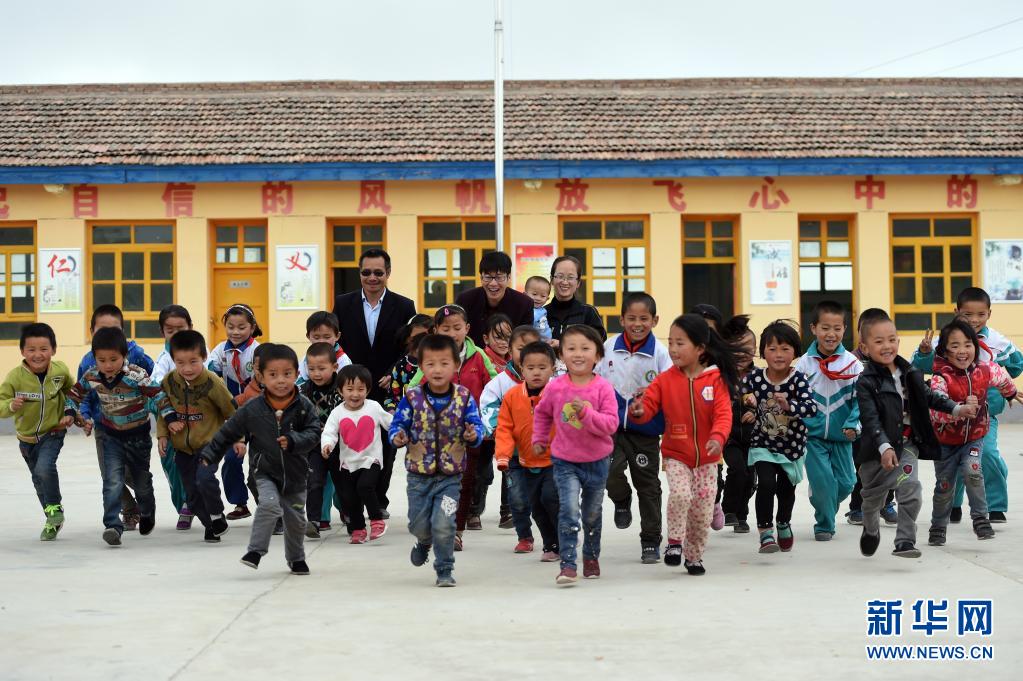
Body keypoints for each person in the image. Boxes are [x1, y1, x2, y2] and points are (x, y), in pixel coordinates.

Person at [629, 314, 737, 575]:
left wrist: (718, 437)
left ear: (700, 348)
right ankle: (674, 543)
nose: (673, 349)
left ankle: (694, 557)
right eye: (671, 342)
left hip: (708, 460)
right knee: (680, 494)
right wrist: (639, 411)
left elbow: (724, 414)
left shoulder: (715, 379)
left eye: (680, 343)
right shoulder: (665, 379)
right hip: (676, 453)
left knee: (701, 513)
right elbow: (649, 404)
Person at [856, 316, 971, 559]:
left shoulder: (910, 372)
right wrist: (884, 446)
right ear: (865, 347)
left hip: (907, 444)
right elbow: (870, 419)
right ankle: (870, 527)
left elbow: (930, 396)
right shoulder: (865, 382)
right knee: (872, 498)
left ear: (898, 341)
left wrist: (957, 409)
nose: (887, 346)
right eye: (879, 341)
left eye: (891, 340)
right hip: (876, 450)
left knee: (910, 489)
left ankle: (905, 541)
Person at [201, 344, 321, 575]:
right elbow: (229, 431)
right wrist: (210, 454)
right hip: (265, 471)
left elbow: (315, 432)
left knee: (296, 520)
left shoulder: (304, 406)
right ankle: (255, 551)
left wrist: (294, 440)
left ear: (297, 374)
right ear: (261, 376)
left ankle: (296, 559)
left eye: (287, 374)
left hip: (296, 475)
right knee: (268, 505)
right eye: (273, 375)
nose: (281, 380)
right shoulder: (253, 408)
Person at [912, 286, 1023, 523]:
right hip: (951, 416)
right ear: (957, 312)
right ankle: (953, 505)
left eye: (981, 314)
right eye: (968, 314)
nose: (974, 320)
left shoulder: (996, 341)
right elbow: (922, 367)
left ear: (989, 314)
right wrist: (924, 353)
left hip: (983, 416)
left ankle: (995, 506)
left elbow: (1015, 366)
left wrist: (1005, 391)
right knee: (955, 461)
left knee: (987, 455)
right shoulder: (944, 339)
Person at [67, 326, 179, 546]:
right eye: (102, 360)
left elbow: (159, 396)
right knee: (112, 481)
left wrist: (171, 418)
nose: (108, 365)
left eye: (113, 359)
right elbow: (73, 395)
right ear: (95, 358)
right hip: (111, 437)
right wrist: (70, 412)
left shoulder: (136, 376)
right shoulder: (92, 376)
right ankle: (112, 525)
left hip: (138, 438)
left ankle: (147, 511)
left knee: (141, 483)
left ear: (124, 356)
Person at [389, 334, 485, 587]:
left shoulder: (464, 397)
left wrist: (473, 435)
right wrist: (397, 436)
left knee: (445, 524)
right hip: (418, 478)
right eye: (430, 364)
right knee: (418, 524)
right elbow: (398, 424)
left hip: (451, 478)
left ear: (456, 365)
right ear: (422, 367)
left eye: (444, 363)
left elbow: (477, 426)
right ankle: (423, 541)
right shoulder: (412, 398)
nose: (438, 369)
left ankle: (444, 569)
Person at [532, 324, 619, 585]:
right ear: (561, 355)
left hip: (597, 461)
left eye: (585, 348)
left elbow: (610, 425)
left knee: (591, 513)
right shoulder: (556, 387)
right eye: (571, 348)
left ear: (598, 355)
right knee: (568, 510)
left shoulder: (603, 388)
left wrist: (586, 414)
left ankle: (591, 556)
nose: (578, 354)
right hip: (565, 461)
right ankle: (568, 565)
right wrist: (539, 439)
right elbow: (542, 414)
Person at [332, 249, 417, 517]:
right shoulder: (343, 304)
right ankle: (350, 505)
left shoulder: (404, 306)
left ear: (388, 273)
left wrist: (394, 372)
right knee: (349, 447)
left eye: (378, 272)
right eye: (366, 272)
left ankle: (379, 501)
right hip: (351, 388)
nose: (372, 278)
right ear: (359, 273)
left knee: (385, 448)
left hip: (386, 387)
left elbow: (410, 346)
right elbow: (336, 343)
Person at [408, 305, 497, 549]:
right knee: (437, 482)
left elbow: (493, 386)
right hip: (436, 437)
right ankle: (436, 522)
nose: (452, 333)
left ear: (467, 328)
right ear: (436, 330)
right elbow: (413, 388)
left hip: (468, 433)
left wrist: (486, 419)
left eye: (457, 328)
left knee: (464, 483)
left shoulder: (478, 355)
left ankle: (455, 530)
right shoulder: (431, 355)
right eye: (445, 328)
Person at [927, 319, 1021, 546]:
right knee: (944, 486)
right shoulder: (940, 379)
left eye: (968, 344)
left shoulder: (984, 370)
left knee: (973, 471)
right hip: (946, 443)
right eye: (955, 345)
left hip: (974, 438)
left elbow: (1001, 377)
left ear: (976, 348)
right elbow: (935, 412)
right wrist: (958, 411)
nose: (963, 350)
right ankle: (938, 526)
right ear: (944, 352)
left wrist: (1010, 393)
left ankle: (980, 519)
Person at [596, 292, 672, 564]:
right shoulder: (608, 347)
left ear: (655, 320)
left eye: (644, 319)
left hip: (646, 431)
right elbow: (595, 379)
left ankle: (650, 540)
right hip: (611, 427)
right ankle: (621, 499)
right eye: (631, 318)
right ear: (621, 320)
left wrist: (653, 393)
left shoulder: (660, 353)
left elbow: (670, 387)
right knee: (608, 473)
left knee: (648, 486)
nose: (637, 324)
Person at [78, 304, 155, 532]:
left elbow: (155, 380)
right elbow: (83, 394)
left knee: (136, 476)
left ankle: (145, 502)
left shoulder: (137, 356)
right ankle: (127, 512)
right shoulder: (88, 362)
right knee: (110, 475)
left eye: (115, 329)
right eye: (102, 330)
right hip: (105, 426)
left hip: (135, 428)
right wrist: (84, 416)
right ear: (92, 332)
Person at [156, 330, 238, 543]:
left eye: (193, 362)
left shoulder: (213, 382)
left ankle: (217, 514)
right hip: (182, 449)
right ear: (173, 361)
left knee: (204, 478)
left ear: (204, 357)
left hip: (209, 444)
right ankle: (211, 526)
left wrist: (238, 439)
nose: (187, 369)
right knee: (191, 496)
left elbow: (232, 412)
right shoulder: (169, 381)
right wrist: (162, 435)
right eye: (180, 363)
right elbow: (163, 408)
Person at [744, 320, 817, 554]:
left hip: (791, 447)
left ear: (795, 352)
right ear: (763, 351)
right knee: (766, 484)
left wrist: (790, 406)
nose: (778, 354)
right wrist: (747, 403)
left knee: (786, 489)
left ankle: (783, 522)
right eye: (772, 348)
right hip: (763, 443)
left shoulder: (798, 380)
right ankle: (765, 532)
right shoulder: (755, 378)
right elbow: (739, 396)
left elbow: (811, 408)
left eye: (785, 349)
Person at [794, 300, 862, 541]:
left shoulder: (853, 365)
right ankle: (824, 524)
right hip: (812, 437)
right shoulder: (803, 364)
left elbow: (861, 401)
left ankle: (824, 501)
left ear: (845, 329)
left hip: (842, 436)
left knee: (847, 483)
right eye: (825, 328)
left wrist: (853, 425)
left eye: (837, 328)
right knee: (823, 482)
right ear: (813, 328)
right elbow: (796, 397)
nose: (831, 334)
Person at [0, 323, 75, 541]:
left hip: (53, 431)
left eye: (43, 349)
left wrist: (71, 412)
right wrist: (10, 406)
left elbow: (72, 392)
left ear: (54, 349)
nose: (37, 354)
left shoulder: (60, 371)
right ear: (22, 351)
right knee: (38, 480)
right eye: (31, 349)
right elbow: (1, 403)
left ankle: (55, 508)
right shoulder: (15, 377)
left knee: (44, 468)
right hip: (26, 439)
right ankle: (52, 519)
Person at [495, 341, 560, 561]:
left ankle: (563, 536)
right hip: (526, 461)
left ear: (553, 368)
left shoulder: (559, 393)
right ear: (522, 369)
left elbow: (570, 423)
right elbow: (504, 427)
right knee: (536, 506)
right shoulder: (512, 396)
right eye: (531, 368)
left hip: (555, 460)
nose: (536, 372)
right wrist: (503, 455)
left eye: (542, 367)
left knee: (550, 498)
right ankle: (550, 544)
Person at [481, 325, 543, 546]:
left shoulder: (551, 382)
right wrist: (500, 429)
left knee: (546, 496)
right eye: (520, 348)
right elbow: (487, 406)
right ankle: (524, 535)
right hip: (514, 452)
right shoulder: (500, 382)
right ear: (510, 350)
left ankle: (553, 536)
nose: (526, 353)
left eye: (533, 347)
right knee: (516, 498)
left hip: (545, 452)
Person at [320, 364, 394, 543]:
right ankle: (359, 529)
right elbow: (329, 432)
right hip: (348, 463)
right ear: (340, 391)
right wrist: (327, 445)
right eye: (350, 389)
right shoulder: (337, 412)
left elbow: (390, 422)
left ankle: (377, 521)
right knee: (349, 497)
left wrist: (400, 432)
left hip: (371, 459)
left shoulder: (373, 407)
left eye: (361, 389)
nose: (355, 394)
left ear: (367, 390)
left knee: (365, 487)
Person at [207, 303, 263, 521]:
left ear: (252, 327)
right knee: (231, 459)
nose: (235, 332)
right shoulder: (220, 350)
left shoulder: (258, 351)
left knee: (261, 464)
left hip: (257, 414)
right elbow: (211, 375)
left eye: (241, 327)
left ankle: (269, 506)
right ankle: (240, 503)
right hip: (233, 416)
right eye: (230, 327)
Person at [150, 304, 202, 531]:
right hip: (174, 424)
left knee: (199, 467)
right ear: (162, 332)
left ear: (191, 327)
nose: (175, 334)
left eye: (180, 329)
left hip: (199, 423)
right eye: (170, 330)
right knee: (173, 465)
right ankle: (184, 505)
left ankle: (195, 504)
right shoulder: (163, 360)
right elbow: (155, 391)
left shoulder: (202, 352)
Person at [845, 308, 897, 526]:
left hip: (887, 425)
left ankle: (887, 503)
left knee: (890, 464)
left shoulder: (891, 361)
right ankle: (857, 507)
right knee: (863, 468)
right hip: (861, 427)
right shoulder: (850, 361)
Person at [468, 313, 514, 529]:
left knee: (511, 467)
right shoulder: (479, 358)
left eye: (508, 337)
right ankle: (474, 511)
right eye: (498, 337)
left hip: (510, 425)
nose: (504, 342)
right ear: (486, 338)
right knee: (481, 470)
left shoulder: (516, 360)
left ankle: (508, 511)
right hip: (485, 424)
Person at [299, 342, 345, 539]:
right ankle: (314, 521)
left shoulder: (342, 389)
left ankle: (349, 513)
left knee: (343, 483)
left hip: (339, 446)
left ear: (334, 367)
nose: (316, 373)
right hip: (315, 446)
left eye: (321, 368)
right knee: (314, 481)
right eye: (311, 369)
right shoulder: (303, 391)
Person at [719, 315, 758, 533]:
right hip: (729, 436)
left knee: (750, 478)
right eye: (736, 348)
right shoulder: (721, 376)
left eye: (747, 349)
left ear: (755, 350)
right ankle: (729, 511)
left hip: (753, 438)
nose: (742, 354)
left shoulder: (759, 377)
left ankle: (741, 516)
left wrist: (756, 411)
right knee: (737, 470)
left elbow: (769, 404)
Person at [455, 251, 534, 347]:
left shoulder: (524, 304)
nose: (493, 283)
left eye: (499, 277)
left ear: (509, 277)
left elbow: (524, 343)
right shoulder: (465, 300)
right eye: (488, 277)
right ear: (481, 278)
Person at [544, 256, 607, 345]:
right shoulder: (542, 314)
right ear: (551, 280)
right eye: (560, 276)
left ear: (578, 283)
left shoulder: (588, 312)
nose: (565, 282)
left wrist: (562, 344)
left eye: (570, 277)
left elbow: (599, 342)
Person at [384, 314, 433, 412]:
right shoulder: (401, 366)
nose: (422, 343)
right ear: (408, 339)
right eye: (417, 338)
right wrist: (392, 410)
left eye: (428, 337)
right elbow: (393, 397)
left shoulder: (440, 364)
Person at [297, 310, 352, 386]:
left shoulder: (342, 360)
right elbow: (299, 382)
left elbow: (348, 386)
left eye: (327, 337)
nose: (321, 341)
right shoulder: (306, 359)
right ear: (308, 336)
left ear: (337, 336)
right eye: (316, 337)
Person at [525, 275, 553, 343]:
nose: (538, 298)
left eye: (543, 296)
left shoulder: (543, 310)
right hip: (533, 342)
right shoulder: (526, 310)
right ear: (525, 295)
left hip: (547, 342)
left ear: (547, 299)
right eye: (534, 294)